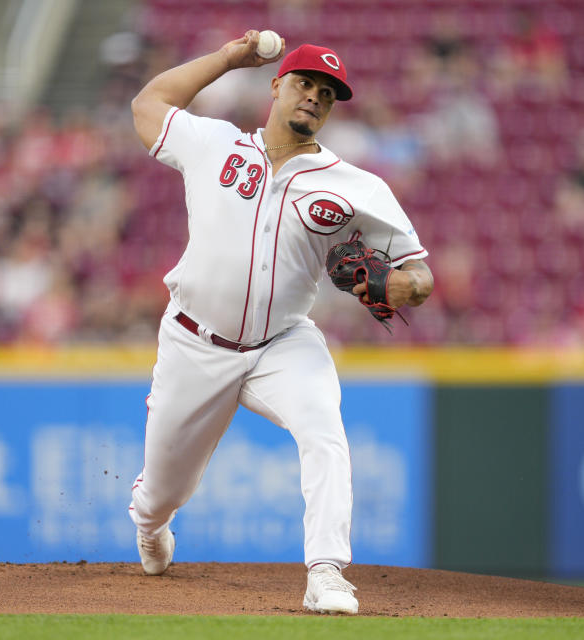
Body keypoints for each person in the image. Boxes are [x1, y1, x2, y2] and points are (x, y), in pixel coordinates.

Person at [127, 31, 434, 615]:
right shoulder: (215, 145)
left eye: (327, 92)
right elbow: (147, 105)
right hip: (196, 341)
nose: (315, 96)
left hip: (282, 343)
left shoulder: (358, 187)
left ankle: (327, 573)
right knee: (164, 492)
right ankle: (150, 522)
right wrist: (226, 59)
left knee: (324, 430)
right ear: (276, 85)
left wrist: (393, 284)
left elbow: (420, 278)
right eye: (304, 83)